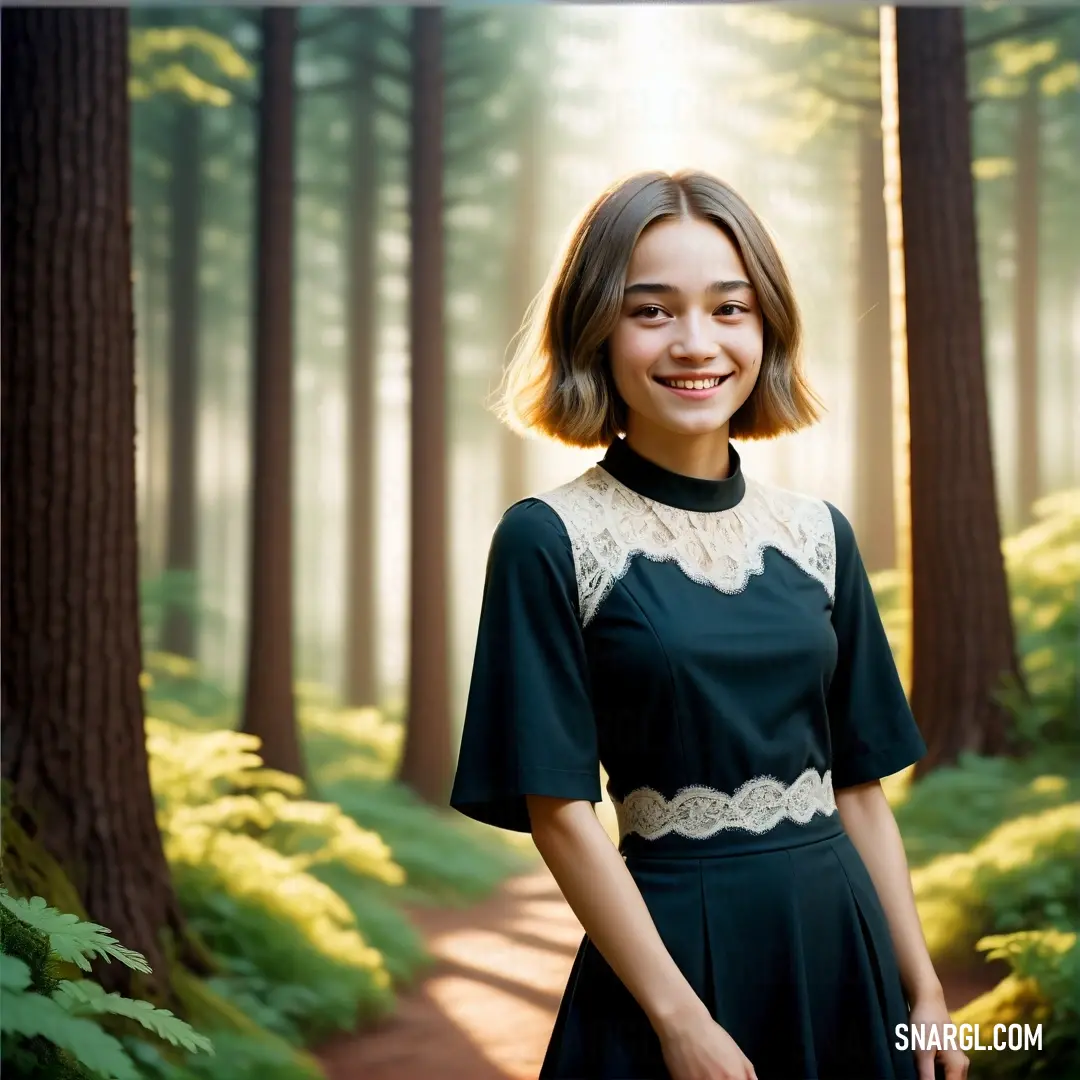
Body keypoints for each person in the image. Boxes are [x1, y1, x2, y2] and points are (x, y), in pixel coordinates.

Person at [449, 170, 969, 1080]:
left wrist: (921, 988)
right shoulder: (548, 538)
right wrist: (677, 1020)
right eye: (652, 311)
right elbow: (560, 811)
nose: (697, 343)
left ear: (765, 327)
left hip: (842, 946)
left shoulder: (818, 536)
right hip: (670, 961)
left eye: (729, 309)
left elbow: (858, 790)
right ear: (596, 331)